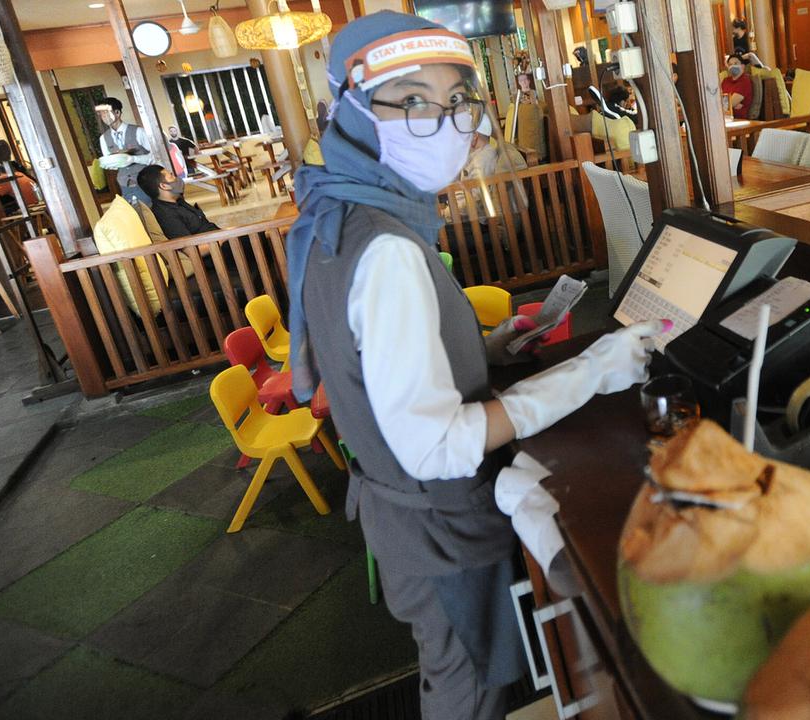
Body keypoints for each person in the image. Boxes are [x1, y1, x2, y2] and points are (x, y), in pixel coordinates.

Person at [285, 12, 667, 719]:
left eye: (458, 99)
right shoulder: (388, 247)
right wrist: (593, 371)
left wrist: (491, 350)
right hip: (438, 527)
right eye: (412, 100)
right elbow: (437, 444)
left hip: (400, 520)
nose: (446, 121)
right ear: (353, 112)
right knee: (471, 692)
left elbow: (379, 365)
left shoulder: (338, 215)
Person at [95, 97, 154, 207]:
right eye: (101, 114)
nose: (103, 117)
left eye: (106, 113)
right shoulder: (103, 138)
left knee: (153, 213)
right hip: (125, 185)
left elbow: (155, 156)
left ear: (117, 113)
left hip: (146, 181)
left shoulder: (138, 131)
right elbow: (111, 164)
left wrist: (133, 159)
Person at [136, 164, 220, 239]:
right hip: (216, 248)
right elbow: (191, 250)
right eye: (171, 176)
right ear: (164, 186)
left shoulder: (177, 200)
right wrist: (223, 239)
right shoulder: (166, 215)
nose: (177, 178)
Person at [721, 52, 755, 118]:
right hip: (724, 117)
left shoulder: (745, 81)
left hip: (739, 119)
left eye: (736, 63)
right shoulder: (725, 80)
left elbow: (730, 104)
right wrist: (729, 105)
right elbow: (717, 100)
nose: (732, 66)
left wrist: (728, 104)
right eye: (730, 64)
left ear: (743, 66)